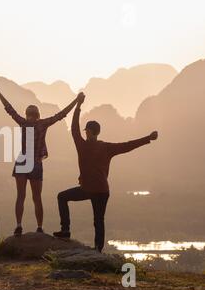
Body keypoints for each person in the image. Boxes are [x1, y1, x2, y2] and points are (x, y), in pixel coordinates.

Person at [54, 93, 158, 252]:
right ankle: (98, 249)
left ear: (88, 131)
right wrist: (147, 138)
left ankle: (66, 230)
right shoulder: (106, 147)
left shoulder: (82, 145)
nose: (85, 132)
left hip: (89, 189)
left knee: (62, 197)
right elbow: (127, 146)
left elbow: (74, 128)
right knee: (99, 220)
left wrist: (78, 106)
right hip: (102, 191)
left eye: (86, 131)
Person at [0, 86, 82, 236]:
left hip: (22, 161)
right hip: (36, 163)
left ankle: (18, 225)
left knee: (20, 196)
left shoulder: (22, 122)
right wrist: (77, 101)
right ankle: (40, 227)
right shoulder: (43, 124)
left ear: (27, 114)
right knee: (37, 198)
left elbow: (9, 108)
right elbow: (62, 114)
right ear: (38, 114)